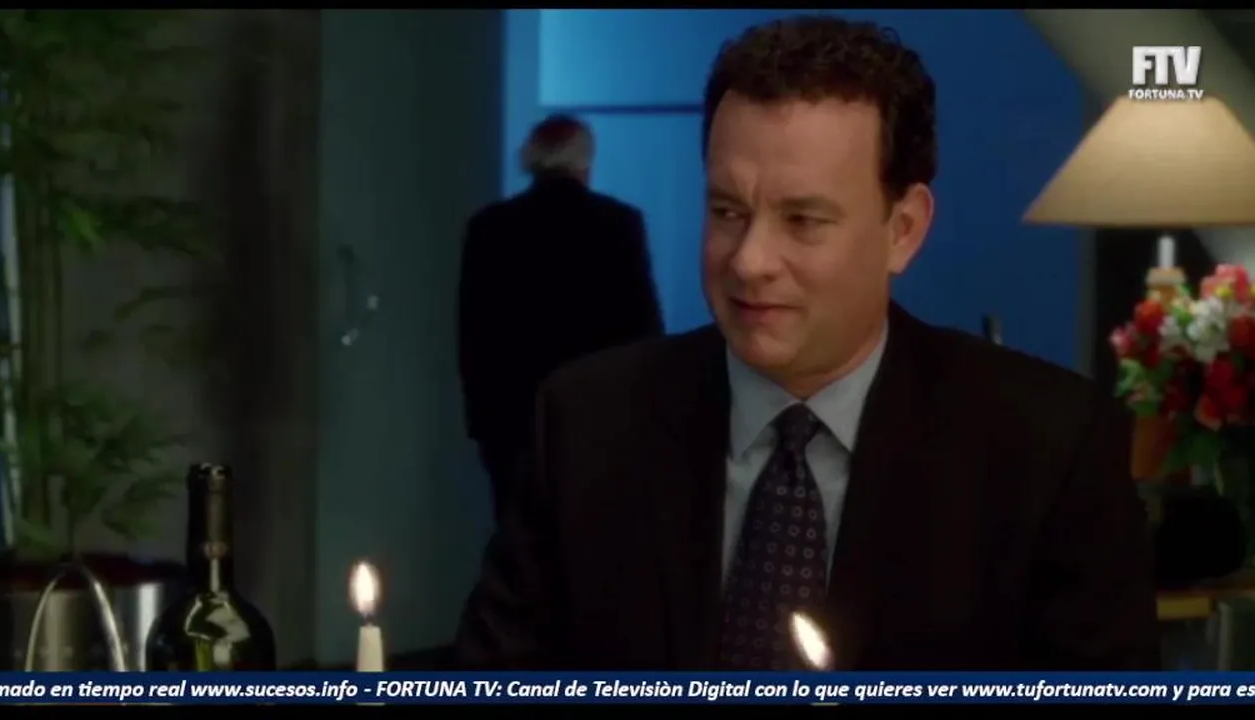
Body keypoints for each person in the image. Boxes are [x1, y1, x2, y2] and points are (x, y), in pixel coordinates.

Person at [455, 16, 1158, 670]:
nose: (749, 261)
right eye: (727, 211)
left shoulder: (1047, 449)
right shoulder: (586, 425)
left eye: (802, 220)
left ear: (903, 229)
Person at [457, 115, 664, 527]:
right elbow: (644, 330)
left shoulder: (489, 228)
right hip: (600, 420)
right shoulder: (618, 224)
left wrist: (483, 425)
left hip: (511, 425)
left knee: (520, 542)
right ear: (585, 162)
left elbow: (473, 339)